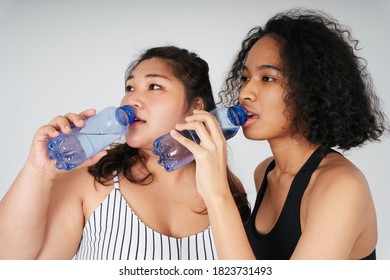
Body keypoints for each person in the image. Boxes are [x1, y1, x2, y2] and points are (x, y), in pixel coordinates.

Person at [170, 9, 388, 259]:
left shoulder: (340, 187)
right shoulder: (264, 172)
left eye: (268, 78)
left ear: (310, 90)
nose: (245, 93)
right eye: (245, 77)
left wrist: (217, 193)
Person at [0, 46, 250, 260]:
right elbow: (13, 263)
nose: (133, 99)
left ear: (195, 107)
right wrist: (38, 171)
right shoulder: (92, 182)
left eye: (153, 86)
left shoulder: (227, 188)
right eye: (130, 87)